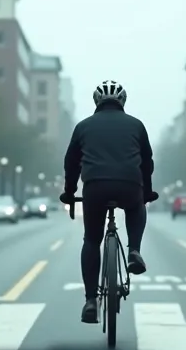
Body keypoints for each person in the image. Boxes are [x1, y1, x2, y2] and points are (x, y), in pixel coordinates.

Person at [60, 80, 157, 324]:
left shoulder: (83, 127)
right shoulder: (137, 125)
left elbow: (71, 163)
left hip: (95, 188)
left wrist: (69, 192)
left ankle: (91, 301)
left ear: (96, 101)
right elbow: (147, 162)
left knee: (92, 240)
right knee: (137, 206)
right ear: (122, 101)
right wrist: (148, 191)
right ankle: (134, 250)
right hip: (129, 185)